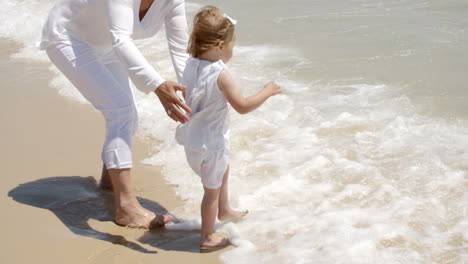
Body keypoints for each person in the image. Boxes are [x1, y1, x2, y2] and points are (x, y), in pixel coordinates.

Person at [39, 0, 192, 228]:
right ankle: (126, 207)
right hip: (68, 37)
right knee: (121, 112)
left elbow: (181, 52)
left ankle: (110, 184)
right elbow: (122, 38)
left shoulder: (173, 1)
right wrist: (158, 86)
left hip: (107, 46)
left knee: (129, 115)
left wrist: (195, 97)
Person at [175, 6, 282, 250]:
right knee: (210, 192)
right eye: (233, 44)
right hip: (210, 143)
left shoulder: (190, 64)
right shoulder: (221, 74)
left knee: (223, 169)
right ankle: (207, 237)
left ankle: (225, 210)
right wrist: (268, 91)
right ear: (220, 45)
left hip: (192, 139)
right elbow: (242, 106)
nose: (233, 49)